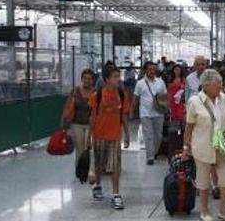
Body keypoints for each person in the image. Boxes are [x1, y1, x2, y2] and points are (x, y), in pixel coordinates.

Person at [183, 69, 225, 221]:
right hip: (203, 145)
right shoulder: (194, 101)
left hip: (223, 144)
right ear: (206, 85)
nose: (221, 86)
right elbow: (189, 126)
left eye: (221, 82)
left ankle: (223, 211)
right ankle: (204, 211)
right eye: (217, 83)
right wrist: (186, 147)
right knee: (203, 180)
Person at [87, 66, 131, 210]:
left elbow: (123, 115)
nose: (118, 79)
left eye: (119, 76)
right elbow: (92, 117)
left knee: (115, 166)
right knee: (99, 165)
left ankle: (116, 194)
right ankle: (97, 185)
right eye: (115, 76)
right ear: (106, 79)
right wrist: (89, 137)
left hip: (114, 136)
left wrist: (127, 134)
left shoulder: (122, 94)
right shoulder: (97, 95)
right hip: (99, 135)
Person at [133, 61, 168, 165]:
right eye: (150, 69)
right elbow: (135, 98)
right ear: (145, 70)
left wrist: (167, 107)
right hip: (145, 113)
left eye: (154, 69)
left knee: (158, 135)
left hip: (158, 112)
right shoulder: (140, 83)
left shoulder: (160, 82)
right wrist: (131, 110)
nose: (152, 71)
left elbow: (165, 97)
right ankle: (150, 156)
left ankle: (155, 151)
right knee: (148, 135)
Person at [61, 68, 96, 162]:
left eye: (89, 78)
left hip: (91, 125)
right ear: (81, 79)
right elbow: (67, 105)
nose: (87, 80)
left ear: (93, 80)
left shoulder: (96, 93)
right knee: (80, 149)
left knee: (89, 148)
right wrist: (63, 120)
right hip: (76, 124)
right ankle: (80, 170)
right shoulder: (75, 91)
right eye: (85, 78)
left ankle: (90, 170)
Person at [167, 64, 187, 139]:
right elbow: (168, 92)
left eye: (178, 70)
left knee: (181, 118)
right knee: (174, 120)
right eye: (175, 70)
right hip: (172, 102)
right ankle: (176, 137)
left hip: (180, 102)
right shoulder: (171, 79)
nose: (177, 71)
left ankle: (182, 136)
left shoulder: (184, 80)